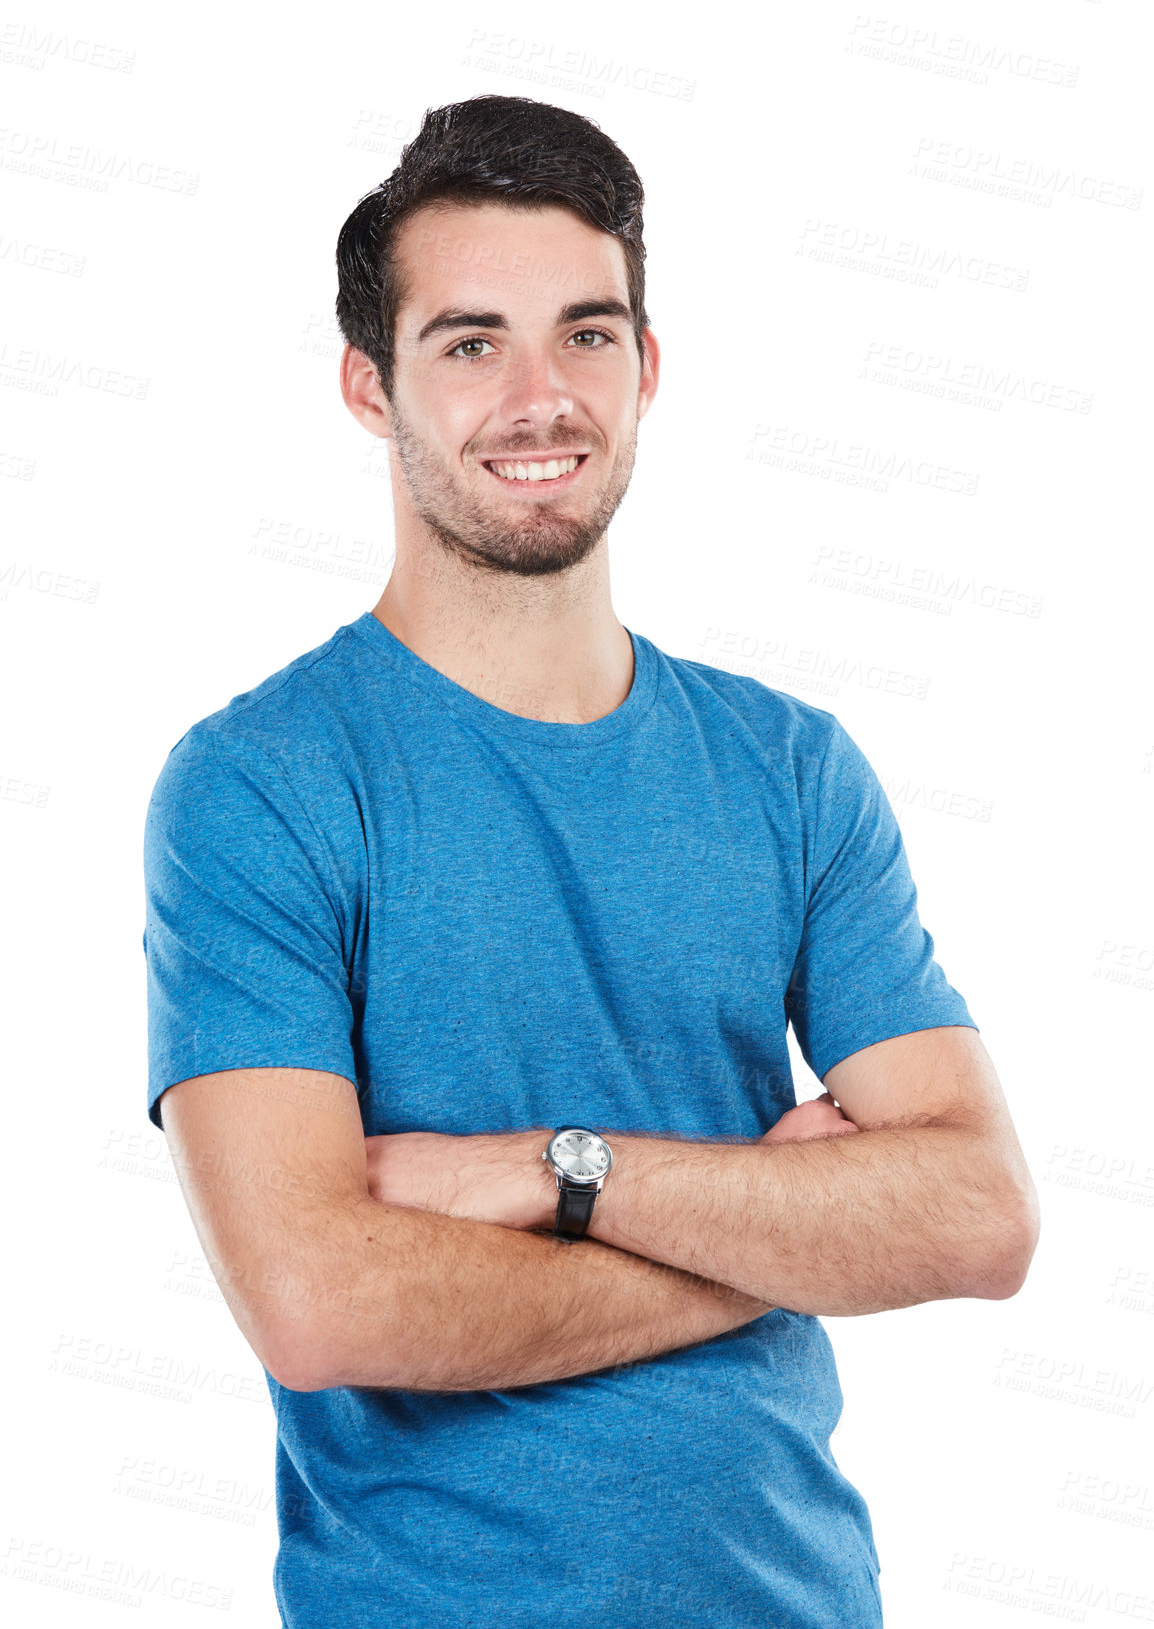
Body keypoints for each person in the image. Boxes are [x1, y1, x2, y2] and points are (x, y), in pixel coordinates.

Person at [142, 94, 1039, 1628]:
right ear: (371, 386)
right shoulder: (261, 786)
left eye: (588, 333)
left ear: (649, 364)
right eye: (470, 342)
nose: (540, 397)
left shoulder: (787, 768)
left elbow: (975, 1218)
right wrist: (779, 1230)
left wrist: (546, 1175)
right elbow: (315, 1298)